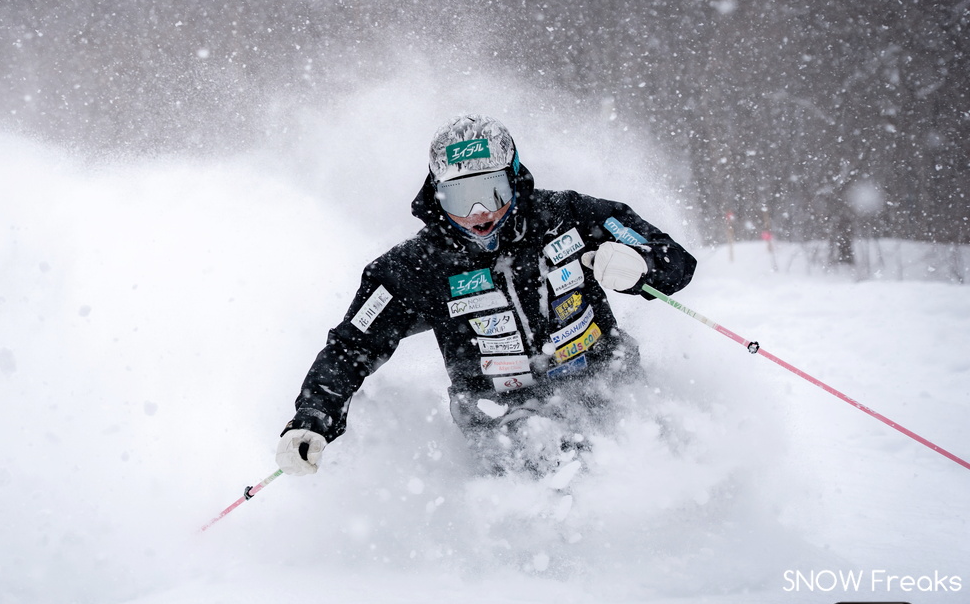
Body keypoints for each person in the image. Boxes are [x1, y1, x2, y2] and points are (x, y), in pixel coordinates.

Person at [276, 114, 697, 477]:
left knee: (662, 461)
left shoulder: (571, 218)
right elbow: (353, 346)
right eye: (459, 196)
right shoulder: (416, 267)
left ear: (515, 179)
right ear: (436, 193)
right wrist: (313, 418)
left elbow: (675, 261)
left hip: (606, 382)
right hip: (500, 415)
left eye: (492, 191)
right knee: (551, 467)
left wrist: (643, 265)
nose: (478, 212)